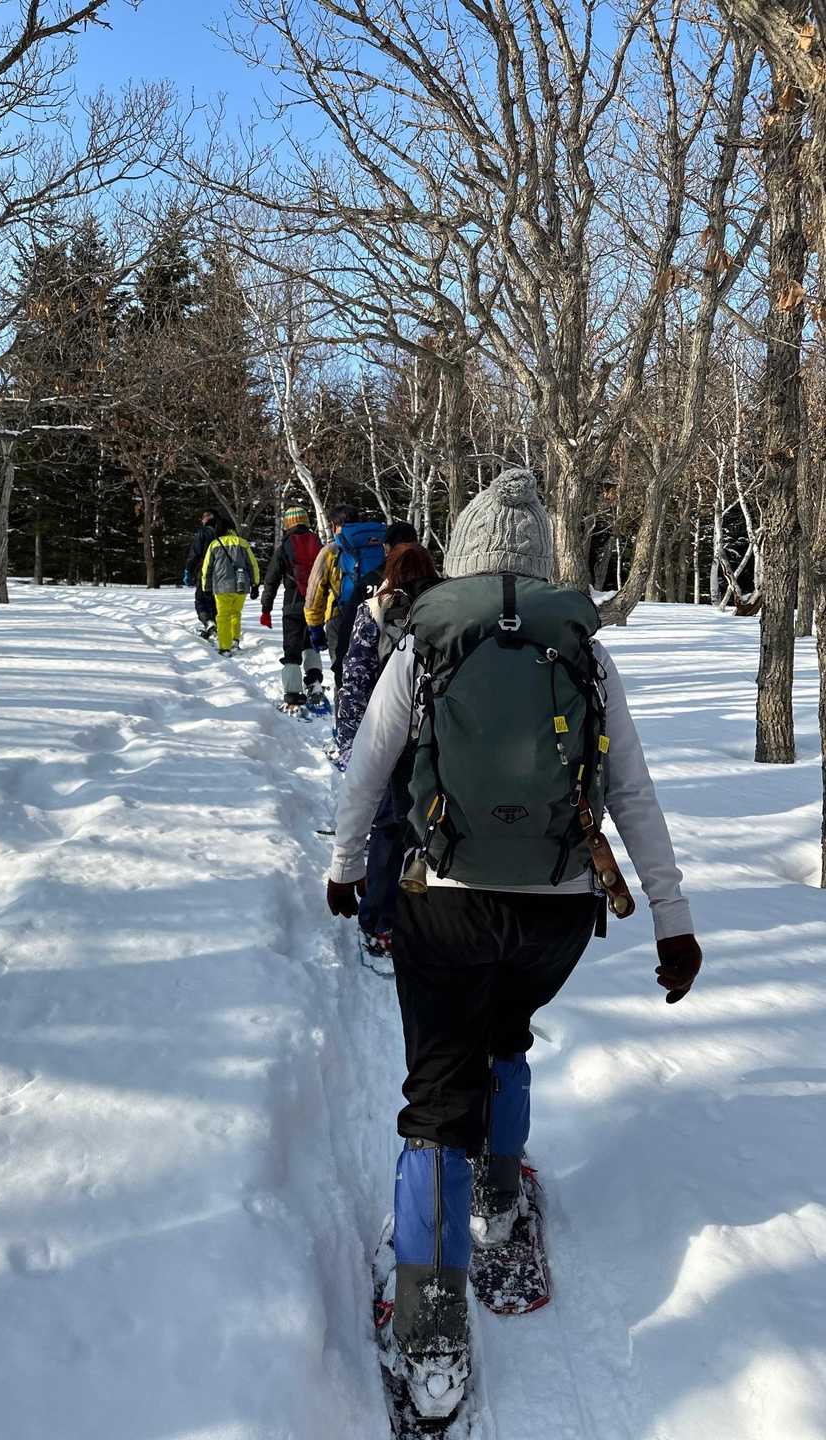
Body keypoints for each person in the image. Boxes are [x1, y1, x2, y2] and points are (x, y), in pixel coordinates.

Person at [324, 469, 703, 1416]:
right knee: (506, 1035)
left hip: (444, 905)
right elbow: (633, 794)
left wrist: (344, 866)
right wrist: (672, 919)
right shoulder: (581, 650)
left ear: (467, 555)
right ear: (538, 563)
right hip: (555, 911)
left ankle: (431, 1327)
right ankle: (498, 1200)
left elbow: (368, 766)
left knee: (437, 1088)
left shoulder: (429, 637)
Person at [336, 540, 439, 963]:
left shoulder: (375, 610)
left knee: (388, 830)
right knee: (432, 831)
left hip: (385, 735)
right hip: (438, 739)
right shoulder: (448, 608)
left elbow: (356, 677)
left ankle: (378, 922)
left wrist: (349, 744)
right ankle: (427, 921)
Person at [303, 504, 387, 702]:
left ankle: (343, 717)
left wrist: (315, 628)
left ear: (334, 525)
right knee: (378, 674)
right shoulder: (381, 546)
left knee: (344, 675)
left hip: (340, 619)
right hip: (380, 616)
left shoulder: (332, 551)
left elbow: (314, 593)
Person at [259, 505, 326, 711]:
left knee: (292, 650)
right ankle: (315, 684)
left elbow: (271, 581)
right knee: (311, 644)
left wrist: (266, 609)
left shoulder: (284, 548)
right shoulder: (319, 544)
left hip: (293, 605)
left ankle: (293, 696)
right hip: (316, 605)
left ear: (288, 524)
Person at [200, 514, 261, 656]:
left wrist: (206, 586)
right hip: (241, 585)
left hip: (221, 586)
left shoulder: (214, 545)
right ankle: (235, 640)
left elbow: (207, 568)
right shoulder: (242, 543)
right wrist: (255, 584)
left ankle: (224, 647)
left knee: (223, 616)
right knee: (236, 614)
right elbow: (253, 565)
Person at [184, 510, 219, 639]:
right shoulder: (225, 532)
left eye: (204, 517)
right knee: (216, 599)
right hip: (223, 571)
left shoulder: (203, 532)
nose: (202, 520)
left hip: (204, 569)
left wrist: (188, 570)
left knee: (200, 599)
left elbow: (195, 553)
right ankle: (217, 623)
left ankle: (208, 622)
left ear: (207, 518)